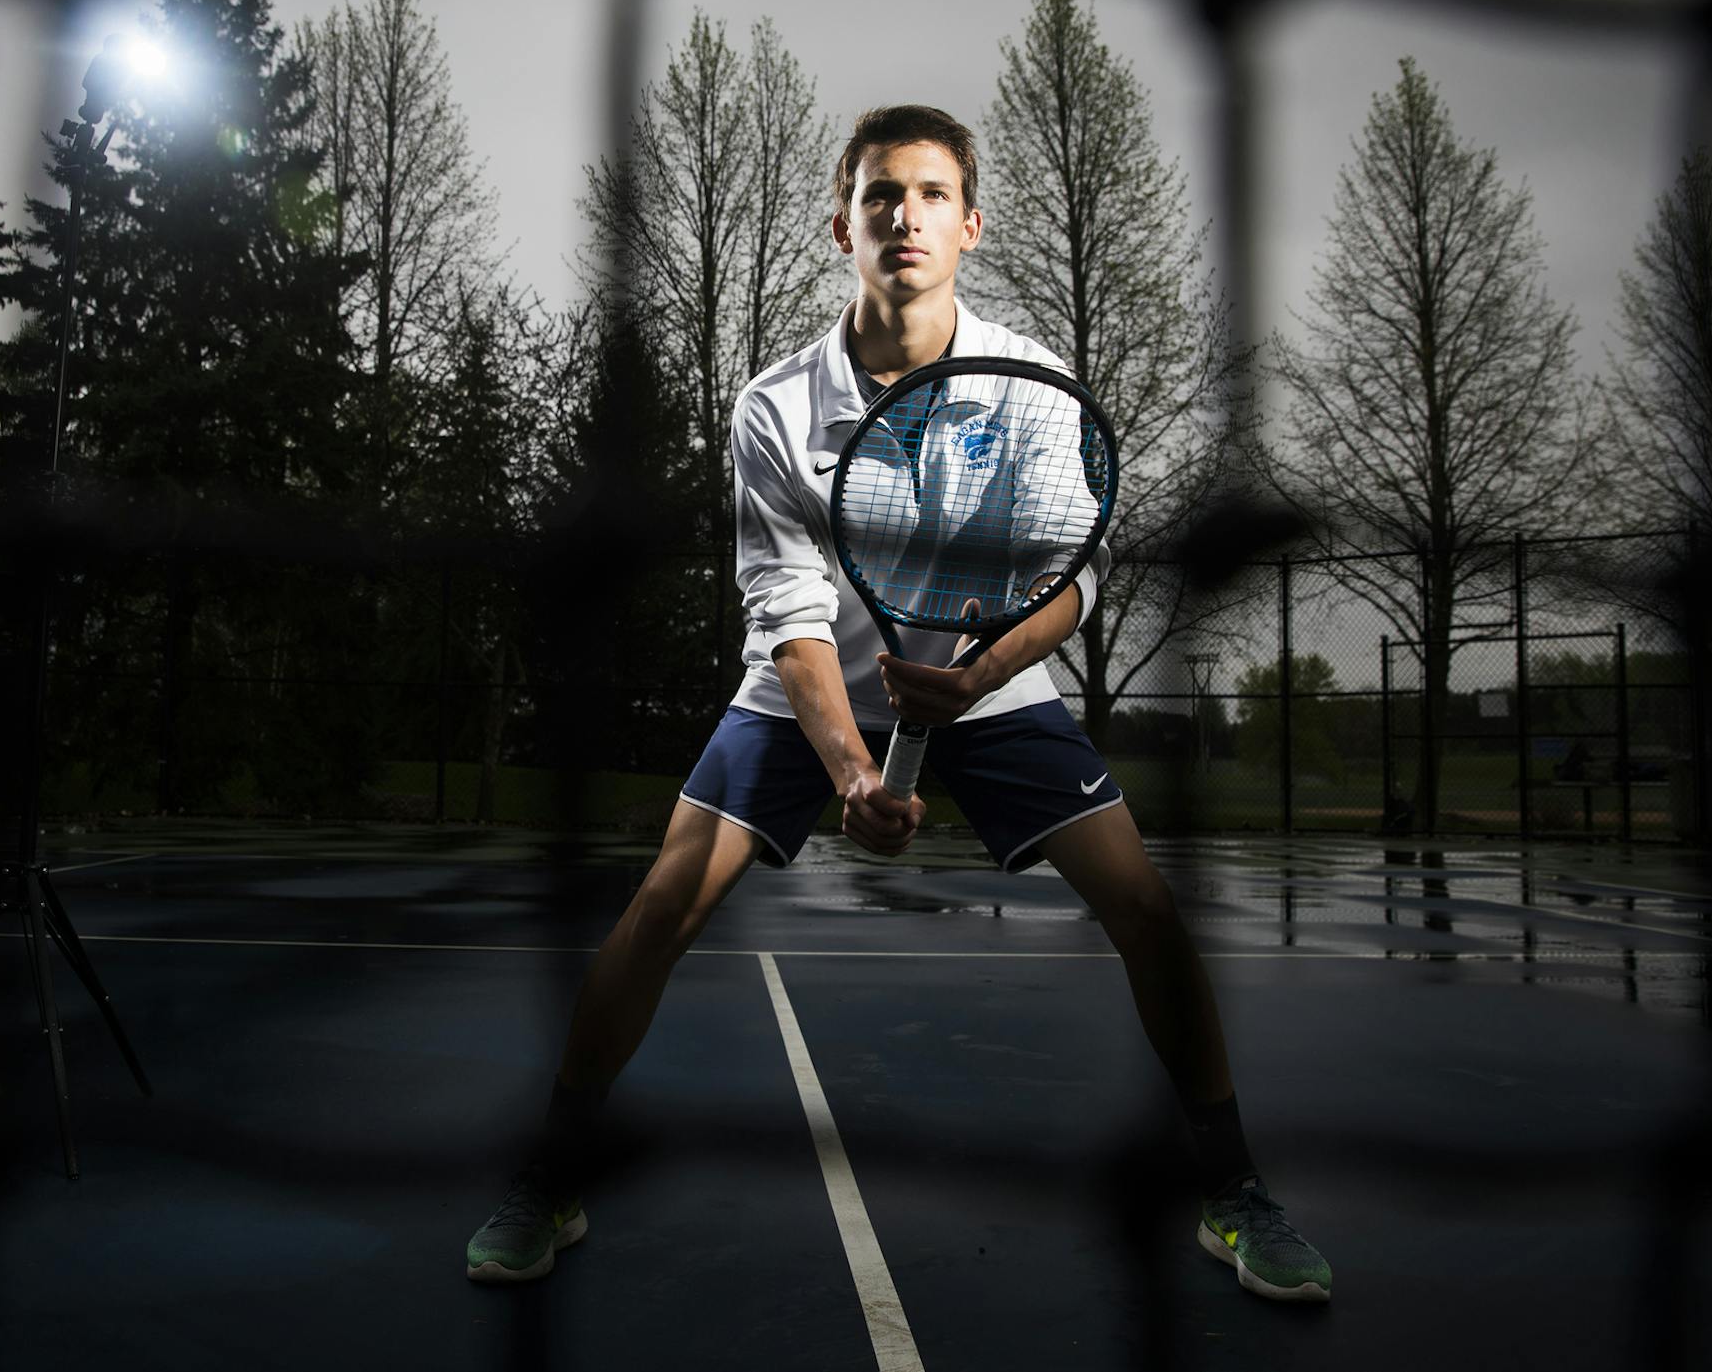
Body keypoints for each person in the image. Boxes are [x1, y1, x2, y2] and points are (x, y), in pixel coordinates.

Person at [465, 105, 1333, 1304]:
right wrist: (853, 771)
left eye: (930, 195)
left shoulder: (1035, 385)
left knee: (1145, 908)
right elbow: (789, 611)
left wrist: (978, 672)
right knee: (661, 899)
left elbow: (1070, 581)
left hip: (991, 689)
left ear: (969, 226)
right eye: (881, 194)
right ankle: (549, 1177)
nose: (904, 215)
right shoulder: (776, 406)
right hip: (807, 692)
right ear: (843, 226)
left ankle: (1233, 1190)